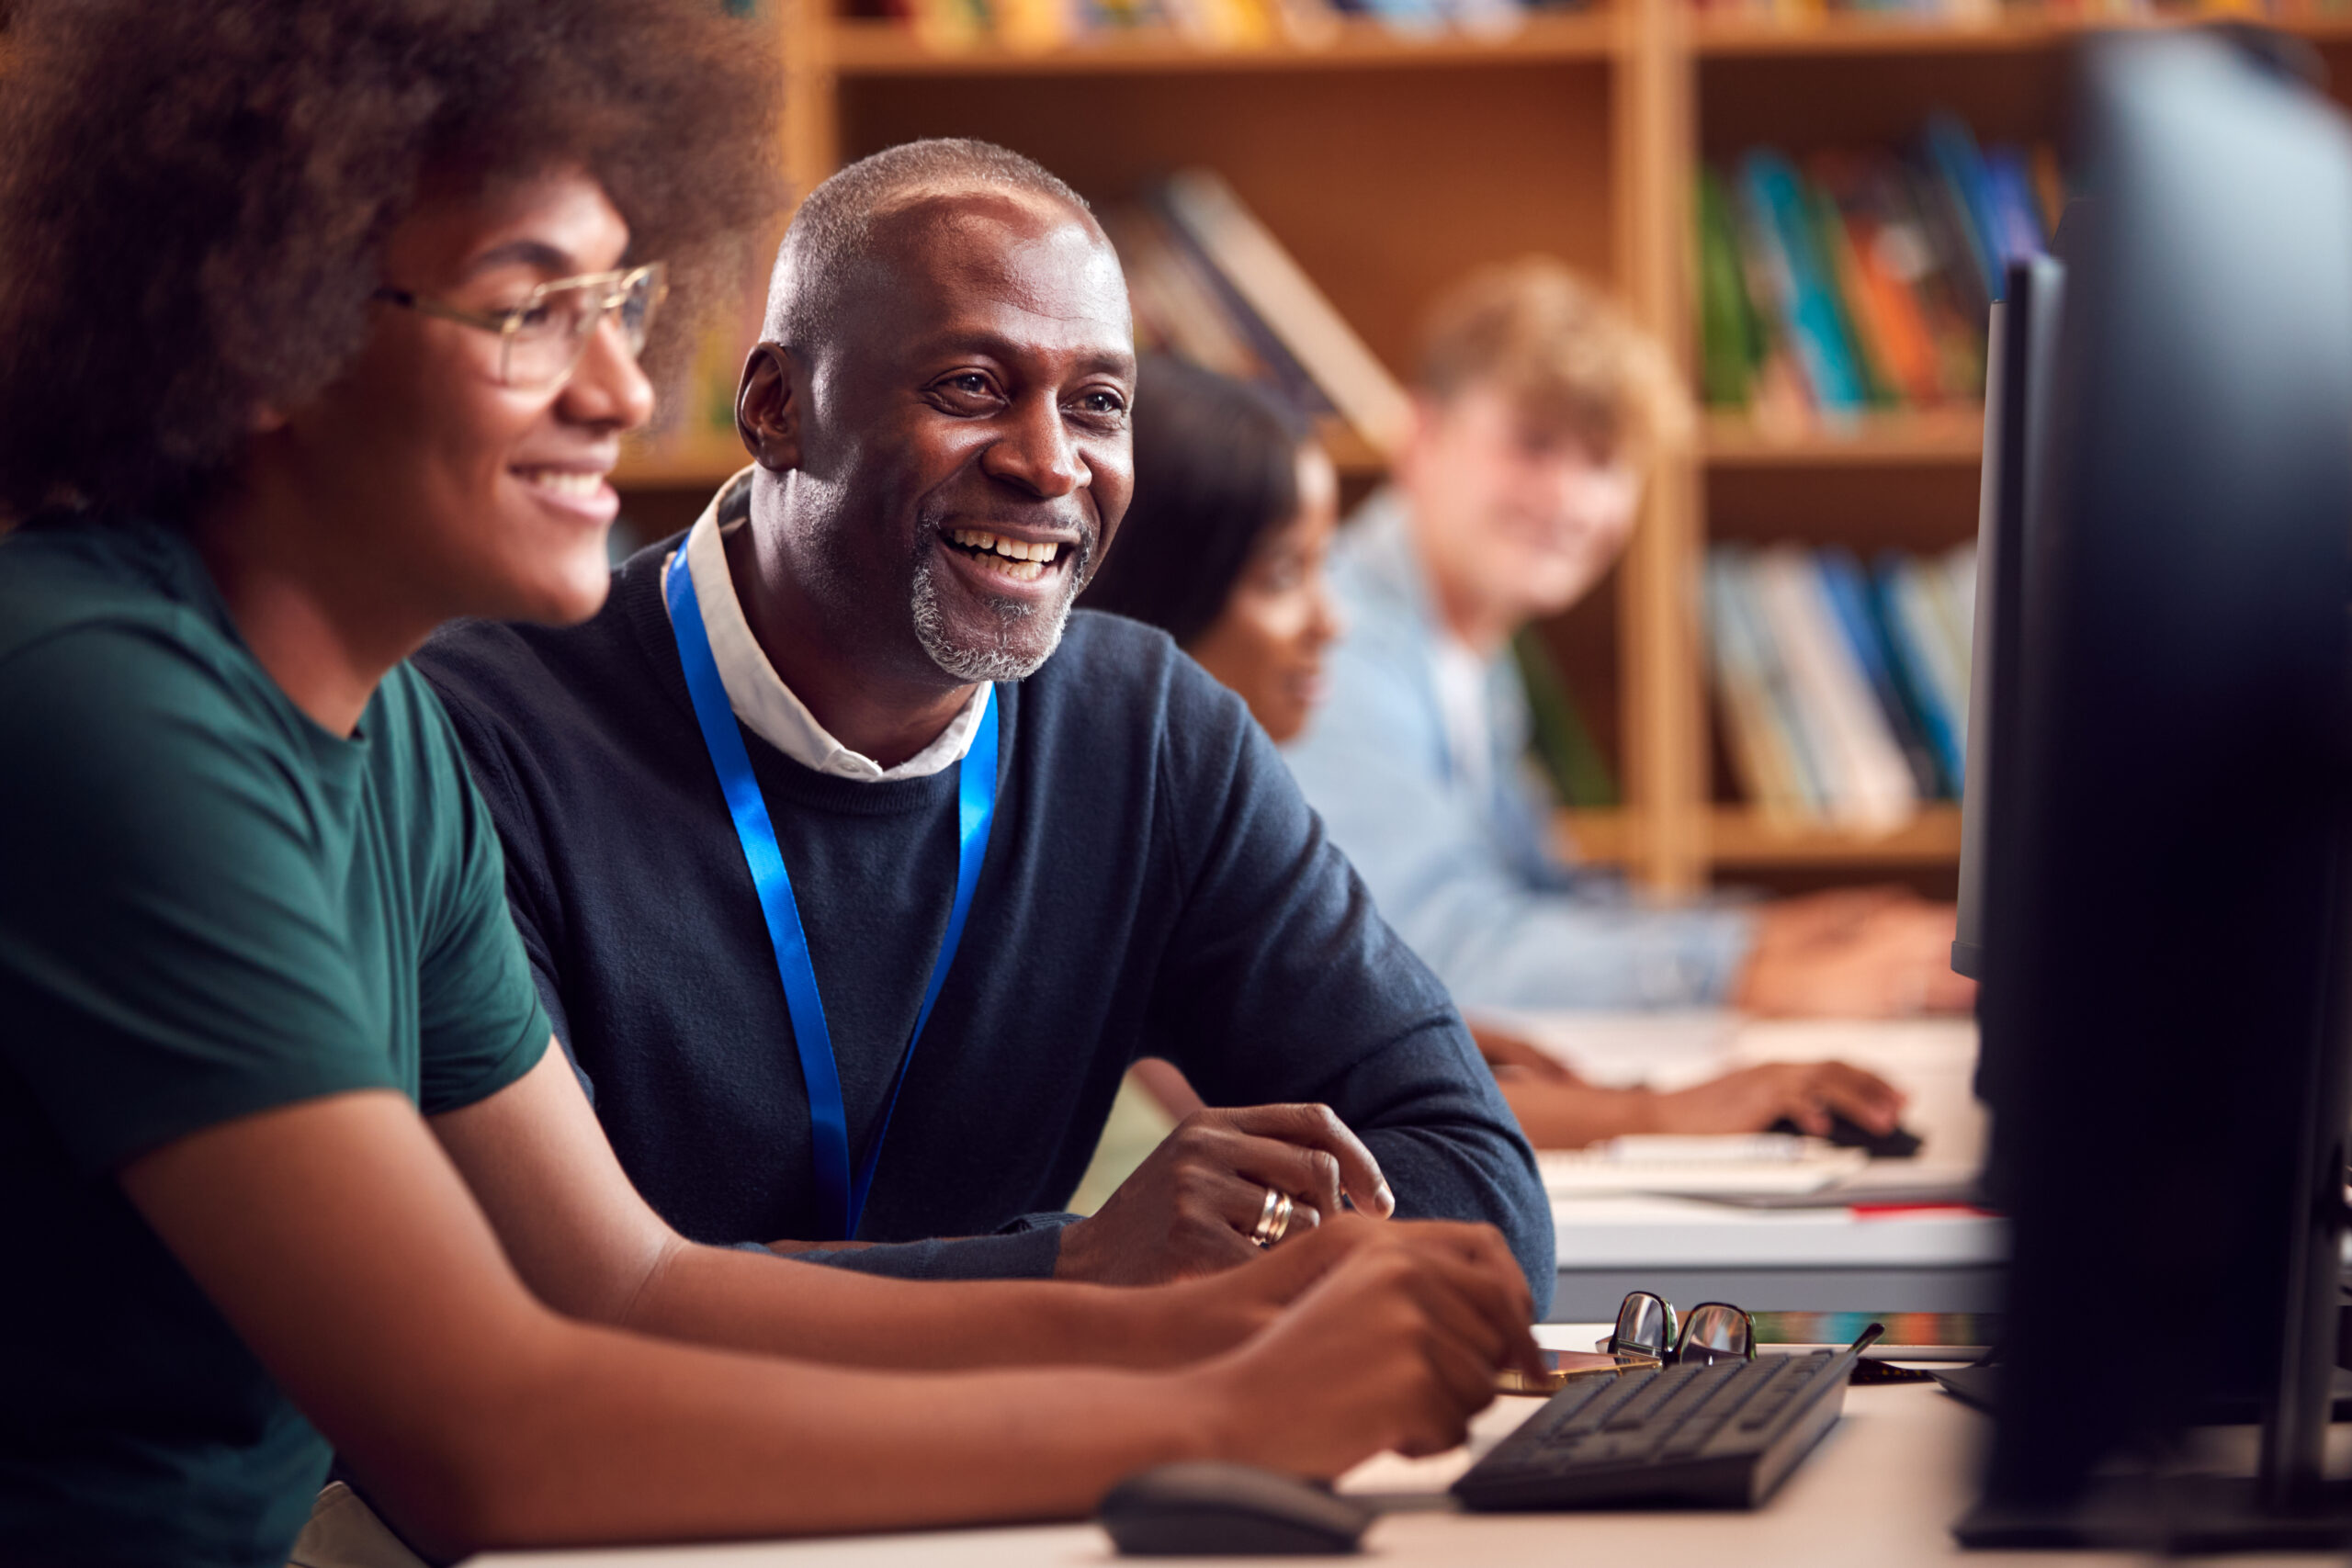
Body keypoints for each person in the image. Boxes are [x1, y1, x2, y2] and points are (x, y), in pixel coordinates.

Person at [0, 8, 1540, 1564]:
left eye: (619, 303)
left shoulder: (379, 732)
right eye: (532, 308)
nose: (619, 388)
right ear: (272, 324)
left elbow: (635, 1285)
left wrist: (1178, 1327)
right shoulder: (96, 700)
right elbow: (493, 1431)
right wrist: (1221, 1414)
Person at [413, 140, 1555, 1297]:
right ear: (776, 408)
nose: (1051, 464)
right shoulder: (479, 741)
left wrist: (1205, 1253)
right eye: (971, 387)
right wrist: (1075, 1271)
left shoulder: (1150, 732)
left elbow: (1479, 1198)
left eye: (1098, 404)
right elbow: (530, 1310)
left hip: (1042, 1460)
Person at [1083, 355, 1907, 1148]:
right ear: (1156, 601)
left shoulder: (1205, 809)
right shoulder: (1118, 854)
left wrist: (1431, 1039)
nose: (1331, 620)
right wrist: (1658, 1110)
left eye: (1603, 462)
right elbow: (1314, 1107)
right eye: (1283, 575)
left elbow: (1318, 1031)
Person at [1280, 259, 1977, 1021]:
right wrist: (1747, 974)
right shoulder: (1333, 645)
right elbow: (1431, 954)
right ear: (1419, 437)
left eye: (1604, 460)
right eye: (1534, 443)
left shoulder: (1466, 648)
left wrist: (1774, 934)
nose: (1571, 499)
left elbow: (1532, 900)